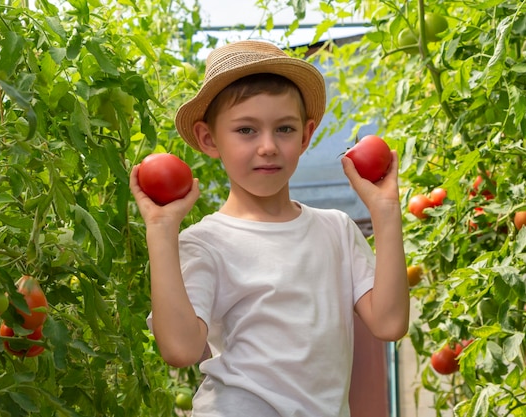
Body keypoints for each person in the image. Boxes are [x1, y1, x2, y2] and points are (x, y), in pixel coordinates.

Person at [129, 39, 410, 417]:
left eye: (284, 129)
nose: (268, 147)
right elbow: (180, 350)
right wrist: (161, 231)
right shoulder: (205, 242)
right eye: (246, 130)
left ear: (306, 135)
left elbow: (390, 322)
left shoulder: (337, 230)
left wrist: (386, 210)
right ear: (209, 139)